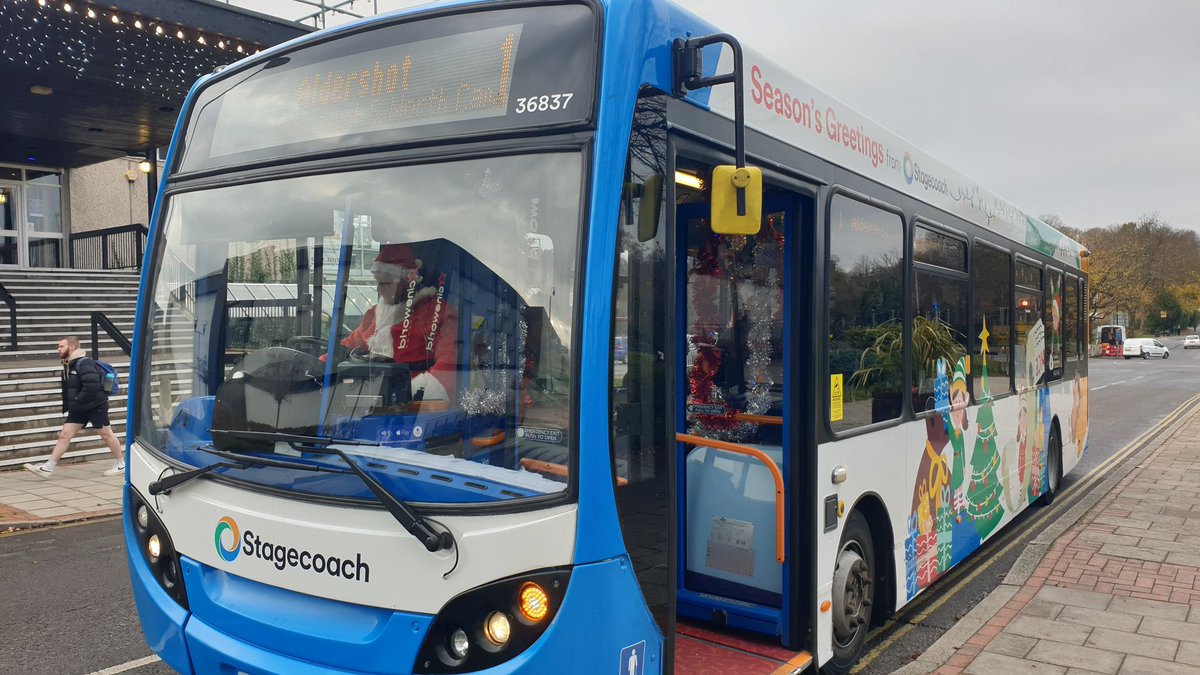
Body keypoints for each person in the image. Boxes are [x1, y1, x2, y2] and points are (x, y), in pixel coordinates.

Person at [339, 244, 458, 401]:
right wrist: (318, 365)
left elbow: (449, 363)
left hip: (412, 408)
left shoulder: (439, 313)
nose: (379, 290)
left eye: (386, 283)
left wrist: (415, 393)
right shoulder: (373, 314)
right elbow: (348, 345)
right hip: (368, 399)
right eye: (378, 283)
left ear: (408, 281)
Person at [23, 337, 125, 478]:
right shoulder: (69, 364)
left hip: (96, 405)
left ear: (71, 347)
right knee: (65, 435)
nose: (58, 349)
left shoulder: (85, 363)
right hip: (80, 408)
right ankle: (48, 467)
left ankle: (121, 463)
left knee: (106, 434)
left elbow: (92, 385)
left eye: (61, 346)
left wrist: (77, 400)